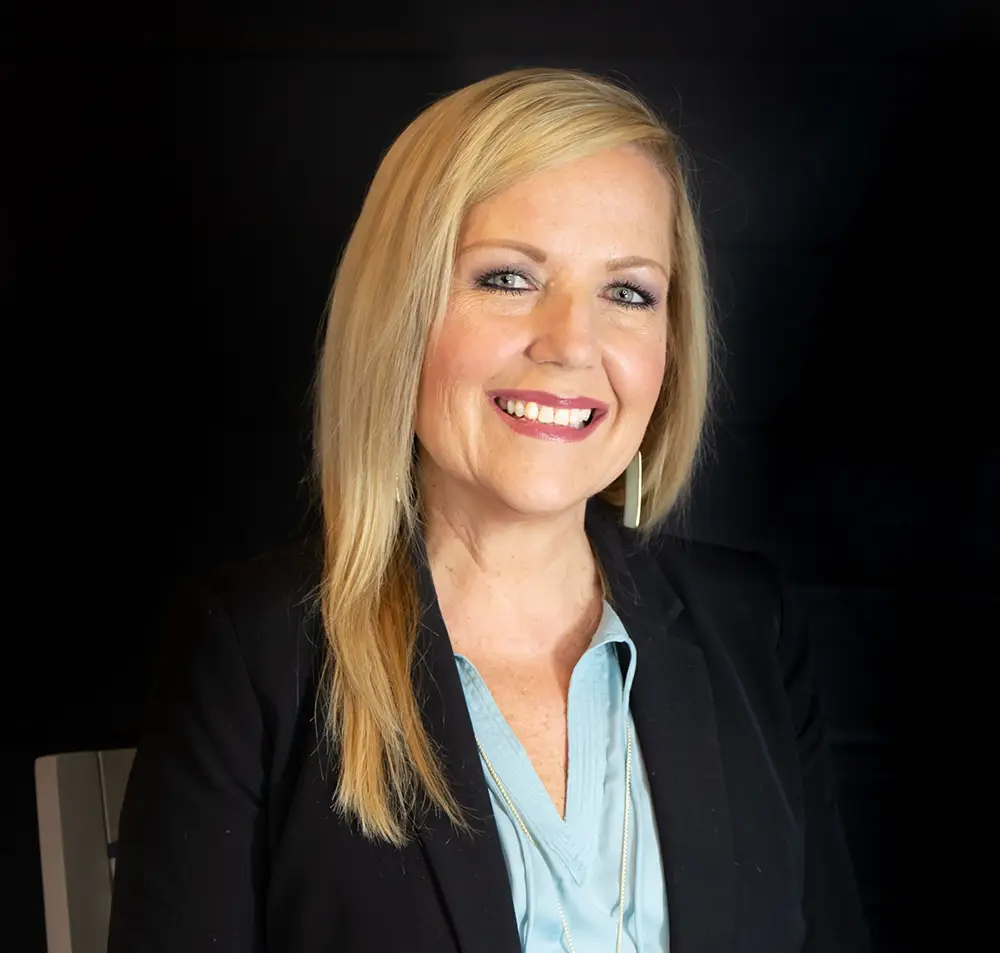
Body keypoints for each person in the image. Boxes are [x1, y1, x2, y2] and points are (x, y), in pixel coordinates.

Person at [107, 67, 870, 952]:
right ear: (400, 311)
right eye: (508, 278)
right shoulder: (255, 661)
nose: (572, 344)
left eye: (627, 292)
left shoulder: (751, 630)